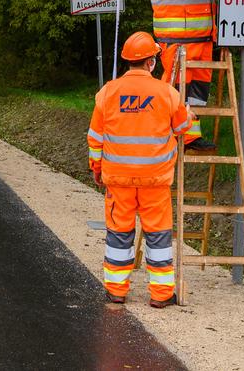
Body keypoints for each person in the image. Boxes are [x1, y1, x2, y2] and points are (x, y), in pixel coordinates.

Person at [87, 31, 193, 308]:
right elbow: (184, 130)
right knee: (158, 234)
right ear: (151, 62)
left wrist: (96, 168)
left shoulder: (108, 92)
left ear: (127, 62)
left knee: (119, 233)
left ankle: (116, 292)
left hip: (118, 179)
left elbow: (95, 138)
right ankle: (160, 295)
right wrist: (189, 113)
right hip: (155, 179)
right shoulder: (166, 93)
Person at [149, 0, 219, 150]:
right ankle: (165, 136)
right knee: (176, 92)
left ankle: (190, 137)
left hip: (202, 39)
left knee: (196, 94)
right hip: (178, 41)